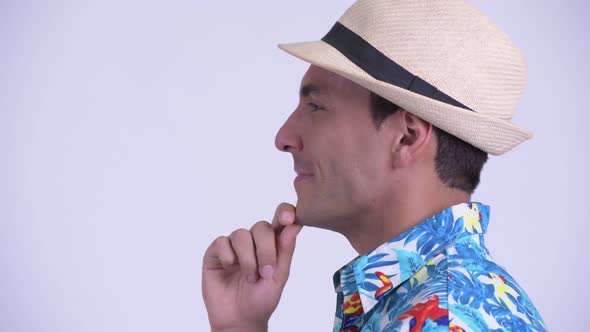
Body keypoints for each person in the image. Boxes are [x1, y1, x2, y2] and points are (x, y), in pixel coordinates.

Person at [202, 0, 547, 331]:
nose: (284, 137)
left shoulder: (441, 319)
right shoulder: (424, 301)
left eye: (316, 106)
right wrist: (239, 326)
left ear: (407, 137)